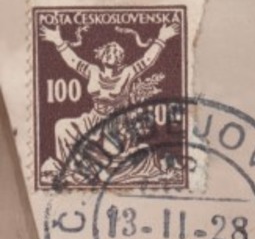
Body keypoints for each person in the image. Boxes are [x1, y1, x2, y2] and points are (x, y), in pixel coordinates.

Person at [39, 20, 180, 168]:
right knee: (62, 127)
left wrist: (161, 39)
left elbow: (146, 61)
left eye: (114, 52)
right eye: (107, 51)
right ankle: (69, 170)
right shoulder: (92, 70)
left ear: (120, 58)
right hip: (92, 119)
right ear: (101, 56)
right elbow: (73, 61)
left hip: (116, 125)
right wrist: (57, 41)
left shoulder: (127, 73)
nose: (110, 54)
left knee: (106, 158)